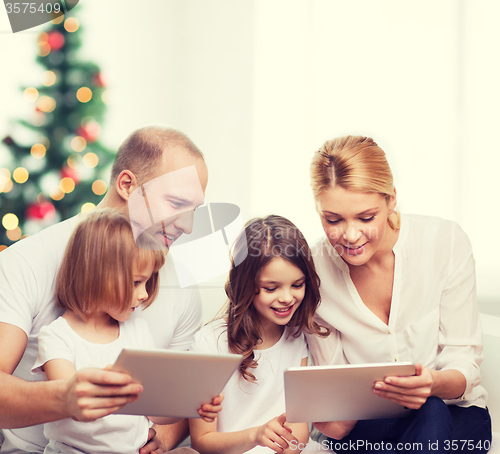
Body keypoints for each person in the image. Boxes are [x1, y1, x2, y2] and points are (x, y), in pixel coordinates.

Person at [0, 126, 211, 454]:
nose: (188, 226)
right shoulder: (27, 262)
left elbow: (175, 396)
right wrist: (65, 398)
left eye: (194, 209)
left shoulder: (181, 285)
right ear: (128, 185)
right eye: (176, 202)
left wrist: (164, 439)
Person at [306, 135, 492, 453]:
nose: (350, 236)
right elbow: (334, 393)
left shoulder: (445, 242)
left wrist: (432, 383)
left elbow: (464, 360)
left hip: (455, 414)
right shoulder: (314, 272)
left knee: (430, 410)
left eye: (366, 217)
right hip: (371, 424)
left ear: (392, 199)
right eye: (332, 220)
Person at [31, 209, 219, 454]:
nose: (143, 294)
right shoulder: (56, 337)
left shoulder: (137, 330)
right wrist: (113, 388)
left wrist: (191, 405)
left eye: (147, 281)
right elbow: (73, 405)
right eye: (135, 282)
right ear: (96, 275)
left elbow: (155, 412)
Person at [189, 215, 334, 454]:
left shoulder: (297, 337)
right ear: (246, 283)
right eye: (271, 288)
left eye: (297, 285)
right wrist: (256, 435)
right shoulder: (209, 343)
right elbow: (202, 440)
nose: (287, 298)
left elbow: (299, 432)